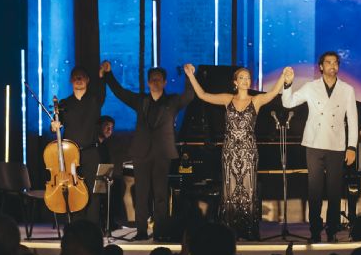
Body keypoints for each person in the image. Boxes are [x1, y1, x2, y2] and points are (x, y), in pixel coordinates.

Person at [183, 64, 289, 240]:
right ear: (235, 82)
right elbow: (202, 95)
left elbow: (271, 94)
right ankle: (230, 231)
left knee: (248, 190)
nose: (246, 80)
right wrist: (191, 76)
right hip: (230, 151)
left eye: (248, 78)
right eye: (242, 78)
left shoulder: (256, 101)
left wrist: (283, 76)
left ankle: (248, 230)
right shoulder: (227, 99)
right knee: (230, 191)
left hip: (248, 152)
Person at [101, 61, 194, 241]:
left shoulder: (172, 101)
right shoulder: (141, 100)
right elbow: (121, 93)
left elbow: (189, 96)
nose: (155, 82)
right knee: (141, 194)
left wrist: (189, 76)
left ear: (165, 82)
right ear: (148, 82)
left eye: (159, 79)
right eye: (152, 79)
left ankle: (160, 232)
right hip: (141, 153)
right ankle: (141, 231)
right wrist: (108, 74)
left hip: (162, 154)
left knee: (160, 195)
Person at [281, 51, 359, 243]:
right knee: (314, 190)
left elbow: (353, 120)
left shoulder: (347, 89)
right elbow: (287, 103)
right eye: (328, 62)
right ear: (321, 66)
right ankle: (315, 230)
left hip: (336, 144)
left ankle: (332, 230)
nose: (332, 66)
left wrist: (352, 147)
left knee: (334, 191)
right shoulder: (311, 87)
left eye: (335, 63)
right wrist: (288, 84)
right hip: (314, 143)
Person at [52, 66, 106, 223]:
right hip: (70, 155)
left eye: (82, 77)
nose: (79, 80)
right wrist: (53, 126)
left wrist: (102, 75)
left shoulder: (95, 100)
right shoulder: (64, 103)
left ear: (87, 80)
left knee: (92, 192)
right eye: (75, 77)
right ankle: (76, 227)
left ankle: (93, 228)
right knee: (74, 190)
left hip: (90, 153)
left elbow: (103, 91)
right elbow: (56, 124)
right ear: (71, 80)